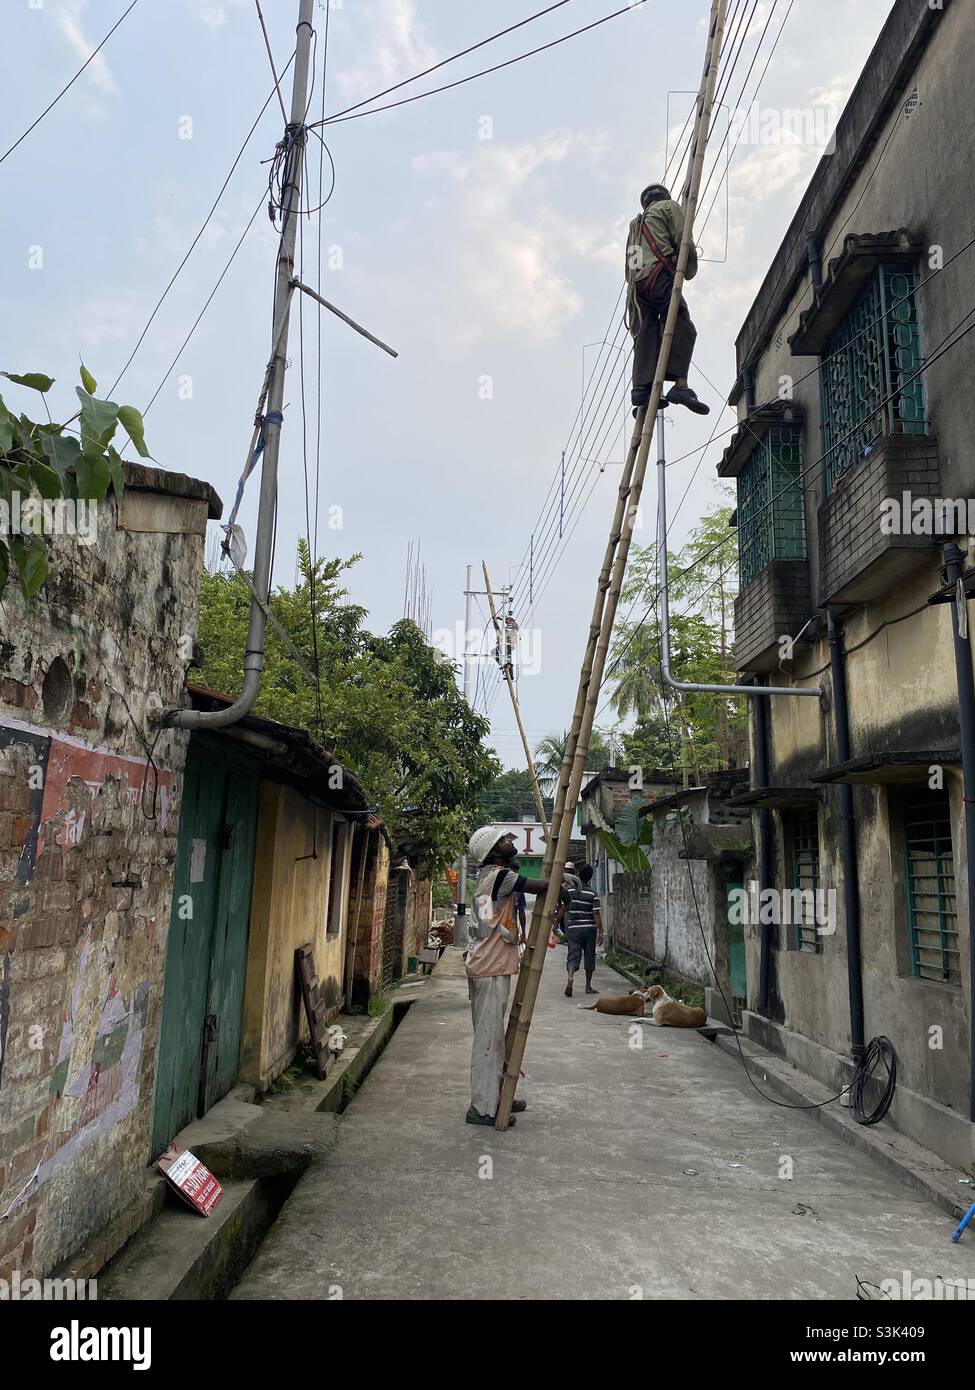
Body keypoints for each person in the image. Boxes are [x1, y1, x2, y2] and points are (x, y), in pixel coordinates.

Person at [463, 826, 550, 1126]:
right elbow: (540, 887)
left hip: (490, 966)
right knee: (488, 1040)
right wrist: (563, 884)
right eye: (503, 840)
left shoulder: (492, 877)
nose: (509, 842)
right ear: (493, 850)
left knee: (495, 1038)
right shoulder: (499, 876)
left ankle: (497, 1096)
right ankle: (483, 1108)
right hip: (489, 968)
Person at [625, 183, 710, 417]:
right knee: (682, 322)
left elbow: (630, 264)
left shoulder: (635, 226)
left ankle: (641, 389)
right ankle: (680, 385)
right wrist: (688, 270)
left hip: (637, 289)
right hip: (659, 277)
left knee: (645, 334)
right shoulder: (668, 207)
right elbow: (684, 240)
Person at [563, 863, 603, 999]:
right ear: (591, 877)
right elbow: (596, 914)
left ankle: (570, 978)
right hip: (589, 929)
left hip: (573, 928)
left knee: (573, 954)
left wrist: (556, 922)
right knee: (589, 956)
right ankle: (588, 986)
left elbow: (564, 908)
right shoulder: (592, 893)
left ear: (578, 876)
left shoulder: (570, 892)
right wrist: (601, 932)